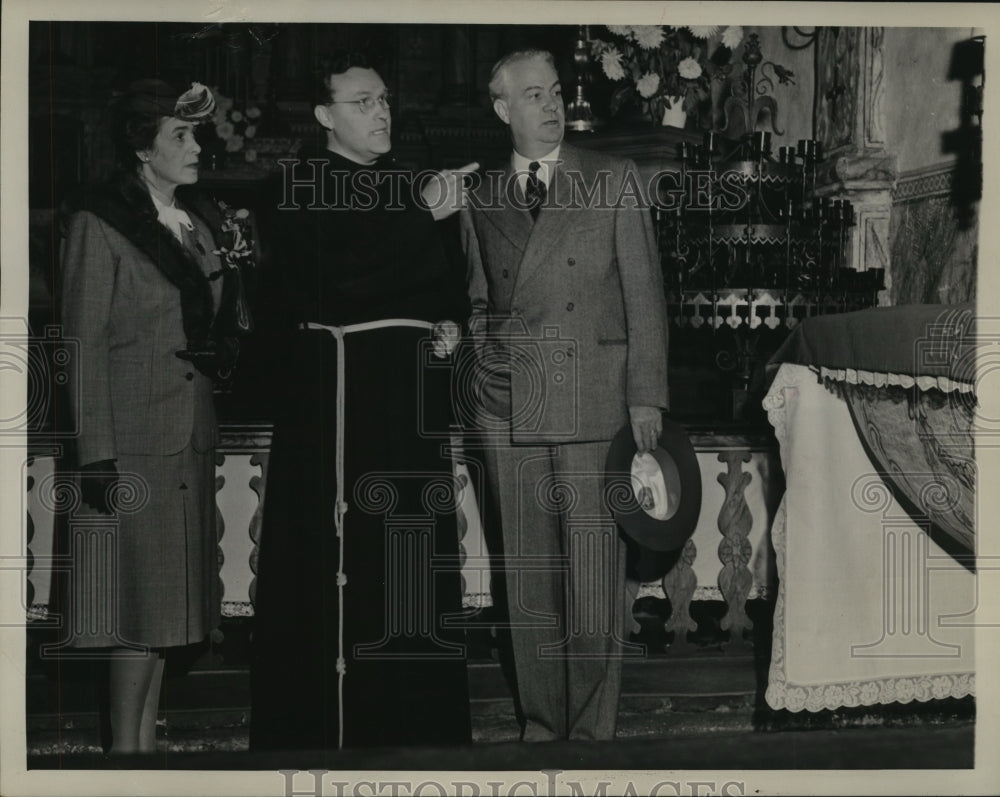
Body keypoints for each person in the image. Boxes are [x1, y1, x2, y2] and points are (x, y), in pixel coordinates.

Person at [248, 51, 477, 750]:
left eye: (383, 101)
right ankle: (337, 733)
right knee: (351, 564)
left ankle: (420, 730)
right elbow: (336, 280)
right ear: (324, 117)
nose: (380, 112)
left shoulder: (409, 186)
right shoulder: (296, 186)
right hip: (341, 406)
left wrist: (449, 322)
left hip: (405, 405)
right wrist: (422, 211)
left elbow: (440, 283)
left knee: (410, 565)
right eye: (361, 102)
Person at [459, 49, 669, 741]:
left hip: (594, 401)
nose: (551, 106)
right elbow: (480, 302)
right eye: (533, 95)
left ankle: (589, 731)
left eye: (555, 93)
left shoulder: (612, 178)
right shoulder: (482, 193)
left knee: (592, 581)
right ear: (502, 109)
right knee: (528, 579)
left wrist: (646, 399)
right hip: (512, 405)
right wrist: (484, 381)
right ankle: (540, 721)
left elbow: (646, 299)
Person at [58, 79, 246, 754]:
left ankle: (142, 749)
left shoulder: (193, 222)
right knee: (137, 615)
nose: (198, 147)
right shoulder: (98, 223)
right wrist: (95, 455)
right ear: (143, 148)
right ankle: (124, 755)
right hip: (131, 447)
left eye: (197, 134)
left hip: (186, 439)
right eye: (181, 136)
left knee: (169, 615)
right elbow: (80, 344)